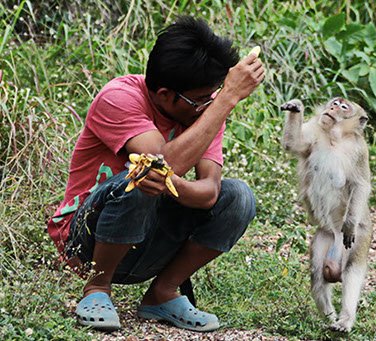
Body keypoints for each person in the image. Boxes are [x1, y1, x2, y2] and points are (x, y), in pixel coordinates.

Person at [47, 15, 265, 332]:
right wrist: (228, 98)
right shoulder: (119, 98)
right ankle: (97, 288)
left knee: (240, 197)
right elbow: (159, 162)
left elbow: (209, 193)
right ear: (164, 94)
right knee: (143, 177)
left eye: (215, 94)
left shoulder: (205, 113)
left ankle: (162, 294)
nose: (210, 105)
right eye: (202, 99)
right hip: (84, 243)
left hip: (145, 243)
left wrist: (170, 184)